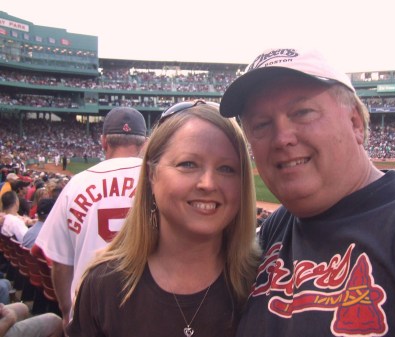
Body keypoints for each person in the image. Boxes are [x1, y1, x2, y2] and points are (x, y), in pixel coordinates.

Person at [220, 48, 395, 336]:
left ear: (354, 122)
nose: (282, 138)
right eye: (261, 124)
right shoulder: (276, 229)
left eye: (302, 112)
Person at [66, 101, 260, 337]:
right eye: (188, 164)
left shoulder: (266, 282)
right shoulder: (103, 285)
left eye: (227, 168)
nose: (208, 183)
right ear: (151, 174)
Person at [34, 107, 148, 330]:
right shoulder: (161, 180)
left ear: (104, 141)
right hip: (147, 309)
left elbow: (60, 262)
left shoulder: (75, 184)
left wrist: (67, 311)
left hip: (88, 312)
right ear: (144, 143)